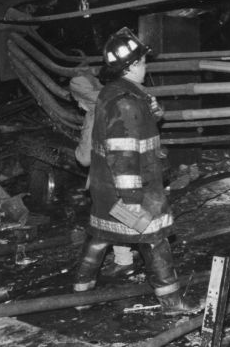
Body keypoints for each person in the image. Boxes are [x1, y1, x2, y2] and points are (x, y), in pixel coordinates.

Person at [73, 27, 199, 315]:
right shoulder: (127, 102)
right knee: (154, 239)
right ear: (131, 66)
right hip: (128, 192)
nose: (146, 67)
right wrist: (132, 201)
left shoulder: (115, 92)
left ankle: (81, 293)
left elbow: (134, 126)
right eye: (142, 62)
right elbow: (123, 153)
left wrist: (153, 112)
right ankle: (172, 303)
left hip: (105, 190)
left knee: (101, 236)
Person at [69, 72, 136, 278]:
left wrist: (78, 151)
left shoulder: (93, 115)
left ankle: (124, 261)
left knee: (111, 217)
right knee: (127, 213)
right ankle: (143, 245)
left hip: (108, 178)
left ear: (82, 100)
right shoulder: (121, 103)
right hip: (132, 170)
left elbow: (84, 158)